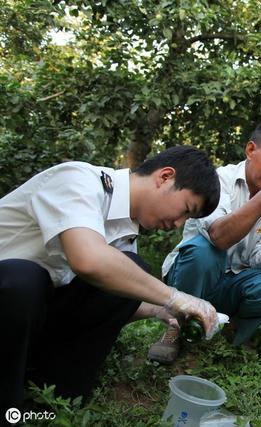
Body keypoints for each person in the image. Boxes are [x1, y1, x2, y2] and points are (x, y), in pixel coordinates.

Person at [0, 146, 221, 413]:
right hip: (10, 293)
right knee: (25, 279)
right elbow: (89, 260)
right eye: (186, 209)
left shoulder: (125, 234)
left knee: (129, 271)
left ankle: (51, 396)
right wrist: (174, 295)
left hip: (26, 318)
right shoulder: (78, 180)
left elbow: (113, 296)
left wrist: (164, 310)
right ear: (165, 177)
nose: (178, 223)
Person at [148, 120, 261, 363]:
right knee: (203, 252)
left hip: (235, 285)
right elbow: (219, 237)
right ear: (251, 150)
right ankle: (177, 324)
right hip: (195, 279)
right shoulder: (219, 180)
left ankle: (231, 333)